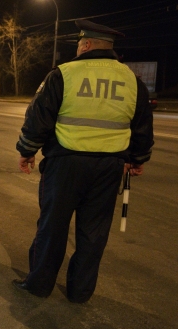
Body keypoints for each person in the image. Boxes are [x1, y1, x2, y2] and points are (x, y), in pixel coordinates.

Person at [13, 20, 154, 303]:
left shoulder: (63, 74)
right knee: (94, 232)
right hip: (109, 168)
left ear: (86, 44)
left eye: (79, 44)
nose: (78, 49)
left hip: (66, 163)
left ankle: (40, 284)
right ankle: (80, 292)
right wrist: (137, 158)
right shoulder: (132, 80)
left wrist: (27, 150)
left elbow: (38, 119)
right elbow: (142, 127)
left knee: (53, 226)